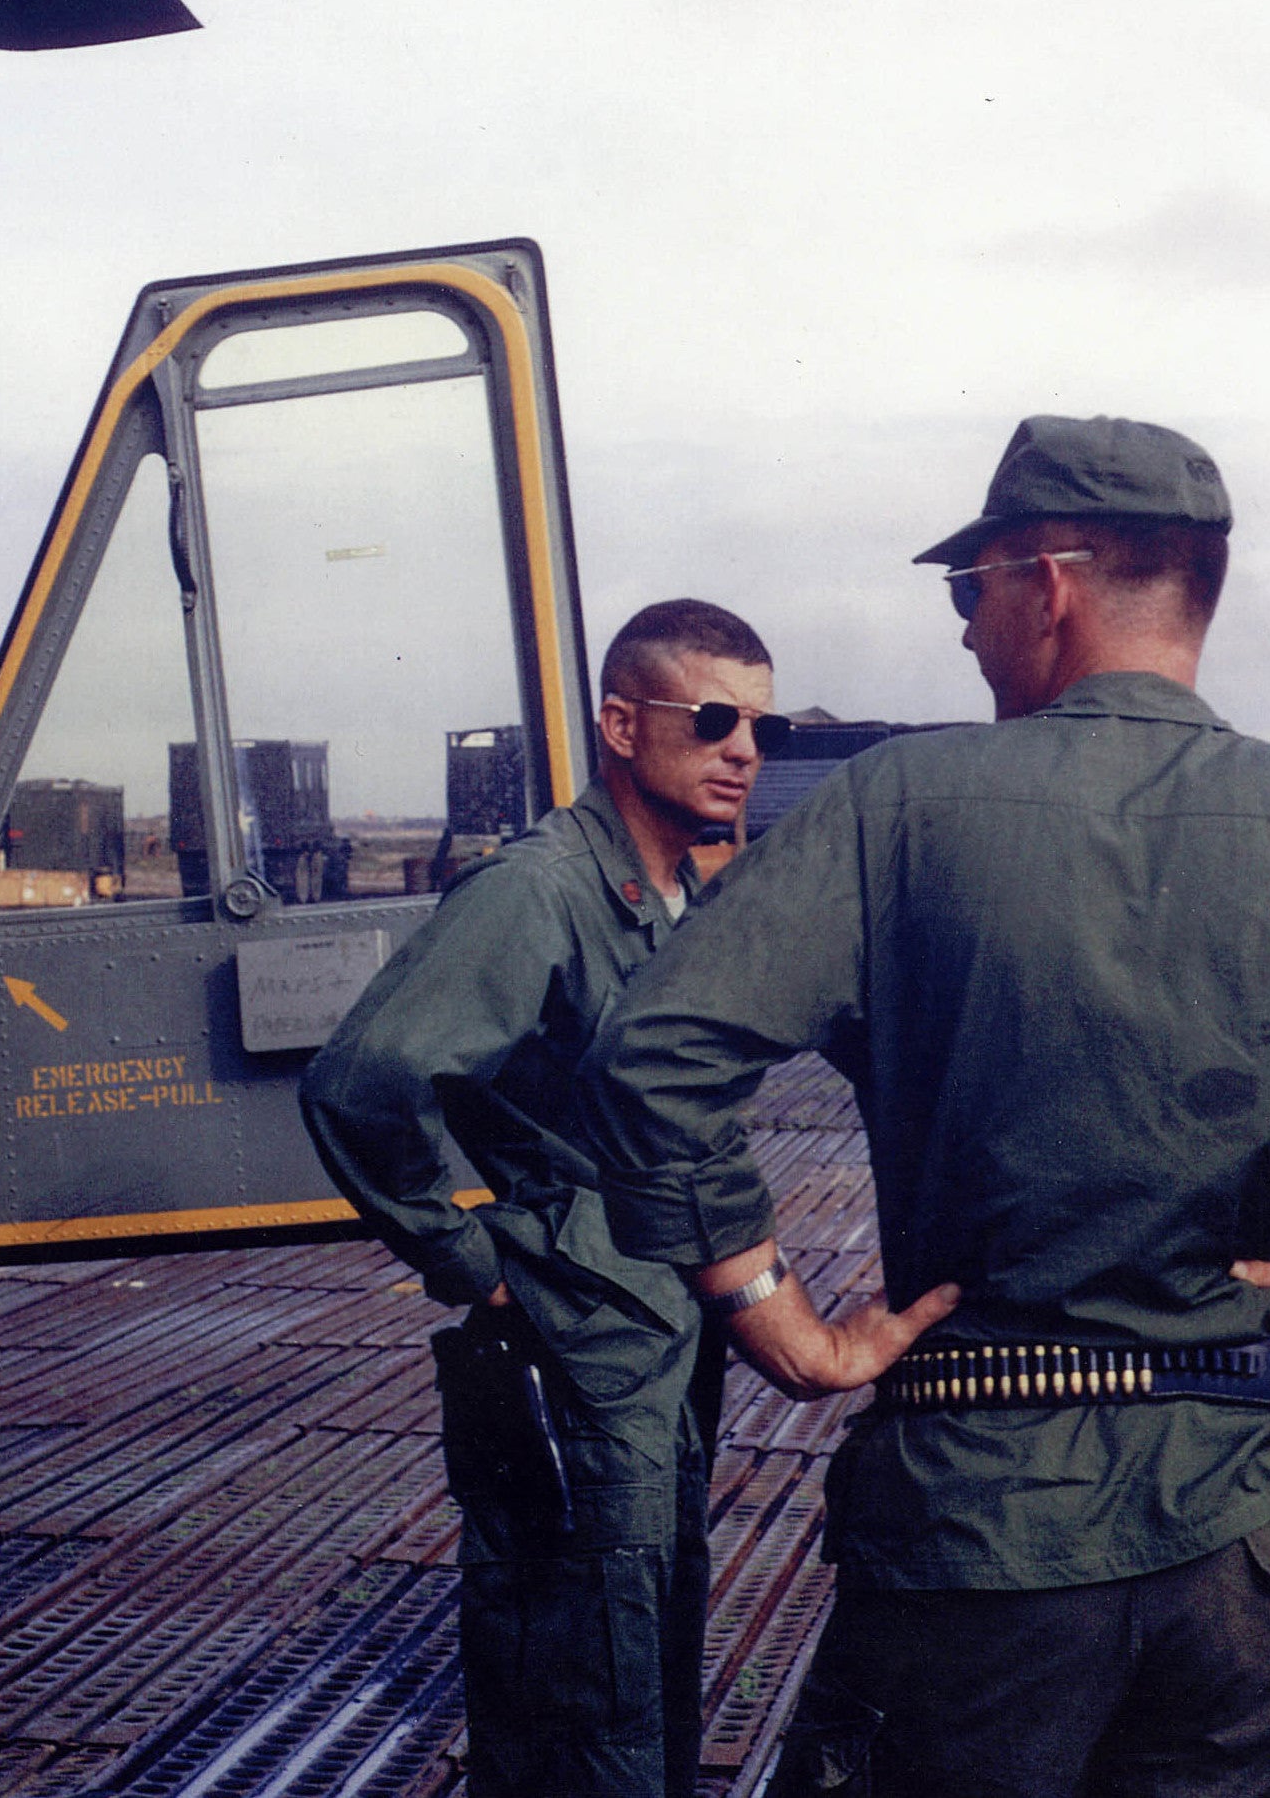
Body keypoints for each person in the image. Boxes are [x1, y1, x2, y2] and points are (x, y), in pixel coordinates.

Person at [577, 414, 1270, 1797]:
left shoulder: (894, 805)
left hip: (973, 1528)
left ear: (1048, 580)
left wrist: (774, 1322)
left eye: (971, 594)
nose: (968, 634)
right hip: (1249, 1546)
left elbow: (649, 1058)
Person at [302, 599, 941, 1798]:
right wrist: (478, 1259)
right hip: (576, 1339)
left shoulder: (667, 899)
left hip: (649, 1339)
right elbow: (364, 1082)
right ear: (618, 724)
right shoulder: (539, 892)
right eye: (710, 719)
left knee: (637, 1656)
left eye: (759, 723)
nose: (743, 748)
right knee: (579, 1687)